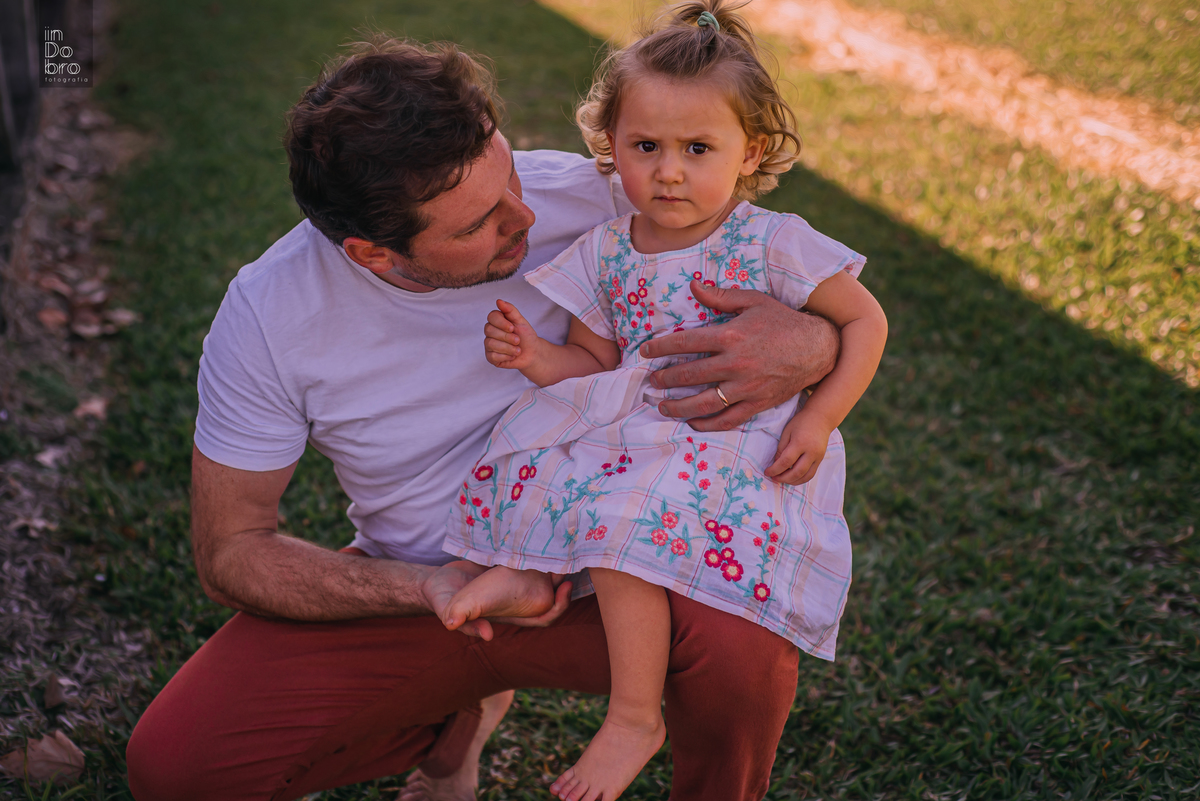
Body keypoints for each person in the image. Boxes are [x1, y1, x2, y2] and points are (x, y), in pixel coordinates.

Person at [124, 31, 845, 801]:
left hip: (628, 570)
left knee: (741, 636)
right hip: (444, 589)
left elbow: (787, 268)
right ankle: (450, 723)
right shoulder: (270, 314)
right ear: (374, 254)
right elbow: (232, 551)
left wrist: (813, 341)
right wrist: (427, 589)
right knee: (178, 771)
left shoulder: (613, 198)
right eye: (477, 226)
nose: (522, 217)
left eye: (507, 175)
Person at [439, 3, 887, 800]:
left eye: (697, 149)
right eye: (646, 147)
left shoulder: (769, 241)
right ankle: (522, 572)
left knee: (623, 515)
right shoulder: (606, 251)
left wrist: (820, 417)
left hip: (733, 435)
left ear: (750, 153)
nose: (670, 171)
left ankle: (634, 716)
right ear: (611, 147)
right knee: (539, 463)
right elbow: (595, 361)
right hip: (635, 421)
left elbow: (864, 319)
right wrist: (536, 356)